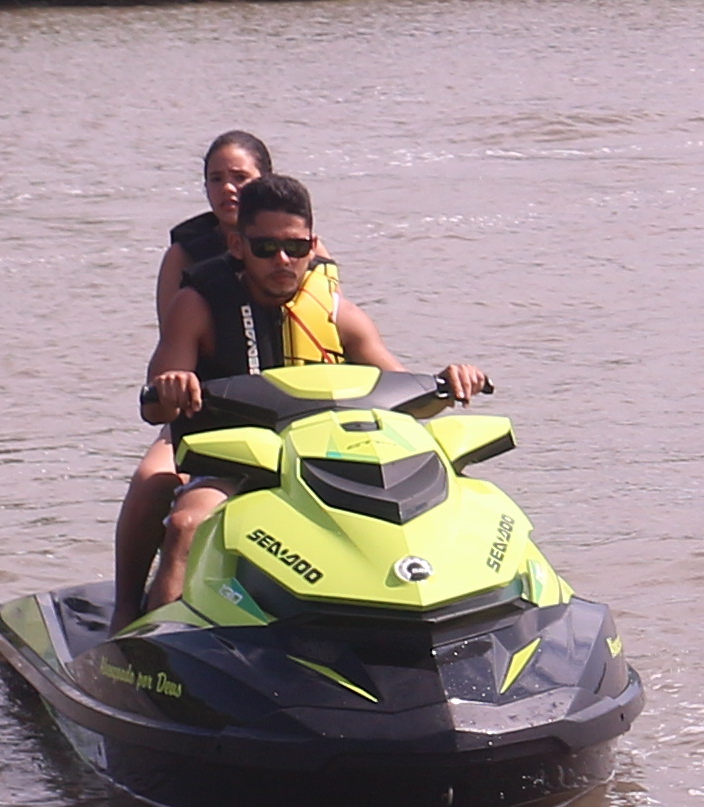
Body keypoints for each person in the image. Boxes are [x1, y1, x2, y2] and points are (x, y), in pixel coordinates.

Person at [111, 177, 491, 614]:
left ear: (313, 246)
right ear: (237, 246)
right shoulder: (198, 305)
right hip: (236, 460)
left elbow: (403, 393)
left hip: (325, 461)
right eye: (266, 248)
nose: (283, 260)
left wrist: (450, 382)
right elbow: (155, 403)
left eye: (295, 247)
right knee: (185, 525)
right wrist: (175, 385)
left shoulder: (336, 312)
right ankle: (152, 650)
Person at [154, 130, 275, 319]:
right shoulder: (182, 256)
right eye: (216, 179)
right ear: (206, 187)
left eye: (240, 177)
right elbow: (171, 337)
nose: (227, 188)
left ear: (267, 182)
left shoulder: (295, 246)